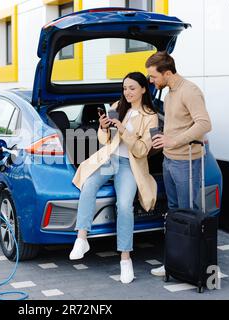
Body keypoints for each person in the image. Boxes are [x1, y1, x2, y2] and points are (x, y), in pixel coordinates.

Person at [70, 72, 159, 284]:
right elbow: (104, 140)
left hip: (130, 165)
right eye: (125, 88)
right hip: (109, 160)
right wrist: (103, 127)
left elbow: (143, 150)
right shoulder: (117, 105)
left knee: (125, 205)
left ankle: (125, 260)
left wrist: (123, 130)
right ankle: (82, 238)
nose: (127, 92)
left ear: (144, 89)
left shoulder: (151, 116)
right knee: (89, 184)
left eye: (132, 88)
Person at [145, 51, 212, 277]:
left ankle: (192, 265)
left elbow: (204, 124)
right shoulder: (170, 93)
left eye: (153, 77)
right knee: (174, 214)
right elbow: (179, 123)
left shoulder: (189, 91)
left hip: (186, 162)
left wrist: (174, 139)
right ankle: (175, 262)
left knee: (188, 213)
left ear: (167, 72)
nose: (151, 81)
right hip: (169, 160)